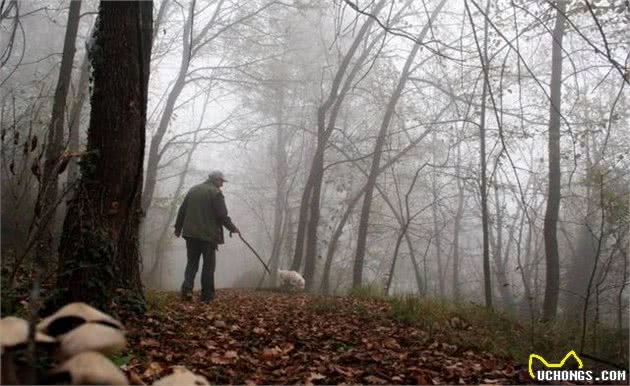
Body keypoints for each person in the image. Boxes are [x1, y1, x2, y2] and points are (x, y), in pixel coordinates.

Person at [174, 170, 239, 303]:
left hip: (190, 234)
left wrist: (178, 228)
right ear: (215, 179)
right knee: (208, 266)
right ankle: (207, 296)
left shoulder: (193, 190)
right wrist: (232, 228)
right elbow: (222, 215)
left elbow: (182, 210)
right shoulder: (216, 193)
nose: (222, 185)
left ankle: (187, 290)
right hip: (208, 236)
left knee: (192, 263)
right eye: (221, 181)